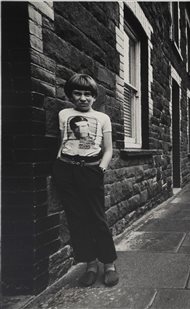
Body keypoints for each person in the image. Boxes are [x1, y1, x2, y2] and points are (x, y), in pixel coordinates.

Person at [52, 73, 118, 287]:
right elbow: (62, 142)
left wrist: (100, 169)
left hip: (91, 170)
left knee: (97, 218)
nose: (83, 98)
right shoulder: (64, 114)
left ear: (94, 97)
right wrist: (58, 166)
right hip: (66, 170)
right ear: (71, 95)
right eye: (78, 93)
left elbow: (108, 149)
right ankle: (90, 264)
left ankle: (109, 264)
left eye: (87, 94)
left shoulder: (102, 118)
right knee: (76, 219)